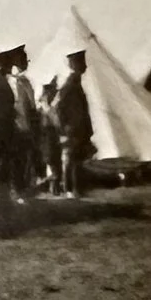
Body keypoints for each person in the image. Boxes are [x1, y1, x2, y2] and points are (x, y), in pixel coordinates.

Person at [53, 48, 93, 197]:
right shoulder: (70, 85)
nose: (85, 66)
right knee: (73, 161)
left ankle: (75, 189)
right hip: (74, 130)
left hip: (79, 129)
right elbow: (58, 107)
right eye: (81, 62)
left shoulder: (75, 84)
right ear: (73, 64)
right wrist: (66, 127)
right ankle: (71, 190)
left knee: (76, 160)